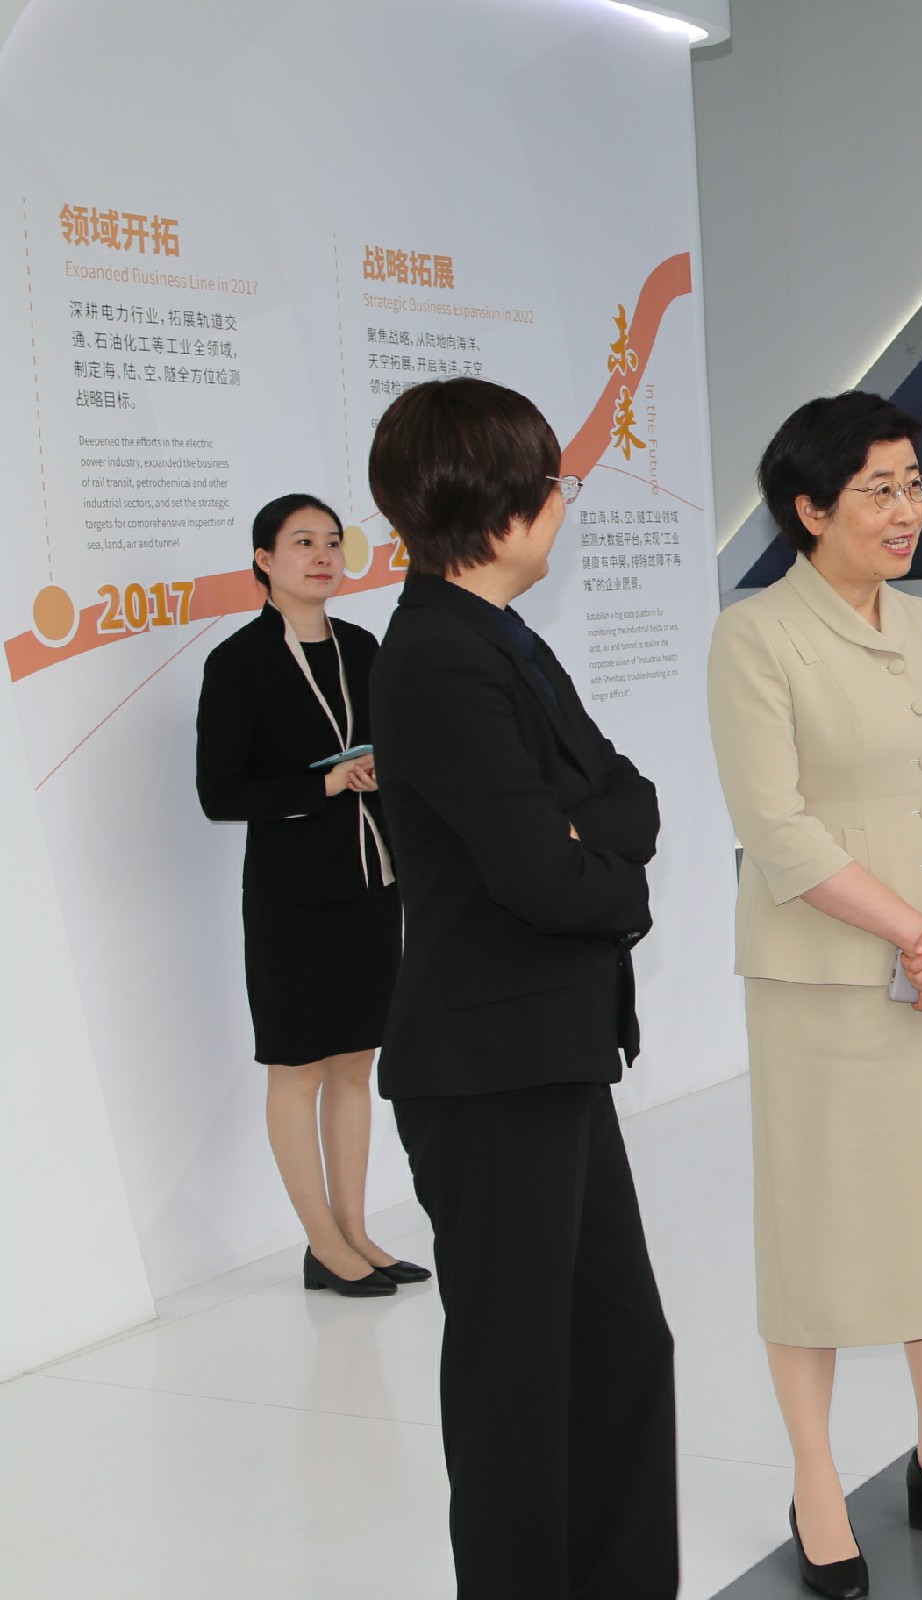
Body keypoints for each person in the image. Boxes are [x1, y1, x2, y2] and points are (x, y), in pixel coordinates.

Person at [708, 391, 922, 1600]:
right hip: (824, 984)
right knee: (818, 1232)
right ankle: (815, 1479)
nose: (908, 510)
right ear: (810, 509)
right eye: (879, 491)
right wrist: (917, 934)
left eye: (914, 485)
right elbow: (777, 829)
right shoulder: (755, 638)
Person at [368, 378, 677, 1600]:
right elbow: (540, 877)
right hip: (488, 1067)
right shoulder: (440, 657)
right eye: (552, 482)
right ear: (498, 506)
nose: (563, 500)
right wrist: (599, 861)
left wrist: (584, 840)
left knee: (616, 1348)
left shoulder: (502, 637)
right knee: (517, 1382)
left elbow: (630, 796)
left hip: (549, 1053)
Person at [195, 493, 423, 1299]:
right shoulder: (239, 663)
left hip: (372, 882)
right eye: (302, 542)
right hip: (291, 898)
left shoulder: (363, 647)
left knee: (356, 1062)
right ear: (263, 560)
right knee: (297, 1068)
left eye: (332, 541)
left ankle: (354, 1232)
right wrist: (323, 782)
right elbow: (221, 793)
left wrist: (387, 767)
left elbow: (402, 746)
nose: (323, 555)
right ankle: (321, 1243)